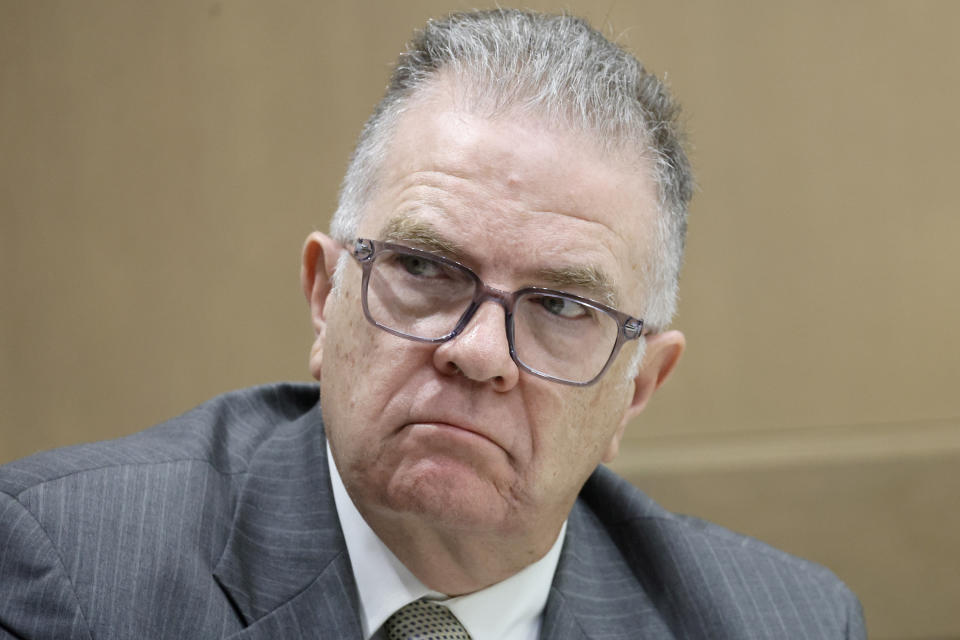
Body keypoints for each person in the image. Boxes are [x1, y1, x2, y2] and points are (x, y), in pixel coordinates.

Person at [0, 9, 864, 640]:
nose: (478, 351)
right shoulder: (73, 571)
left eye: (564, 305)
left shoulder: (781, 622)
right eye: (424, 268)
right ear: (324, 292)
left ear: (637, 386)